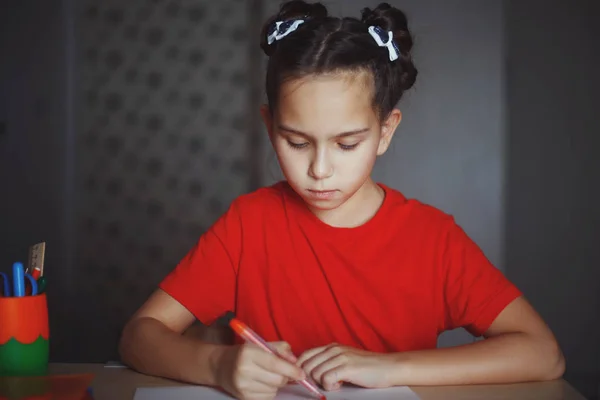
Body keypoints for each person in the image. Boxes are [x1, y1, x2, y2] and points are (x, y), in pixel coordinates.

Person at [119, 1, 565, 399]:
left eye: (347, 144)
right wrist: (217, 365)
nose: (319, 169)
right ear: (270, 126)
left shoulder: (433, 239)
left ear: (385, 131)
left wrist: (388, 367)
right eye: (296, 142)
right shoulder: (247, 224)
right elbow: (139, 335)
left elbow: (543, 354)